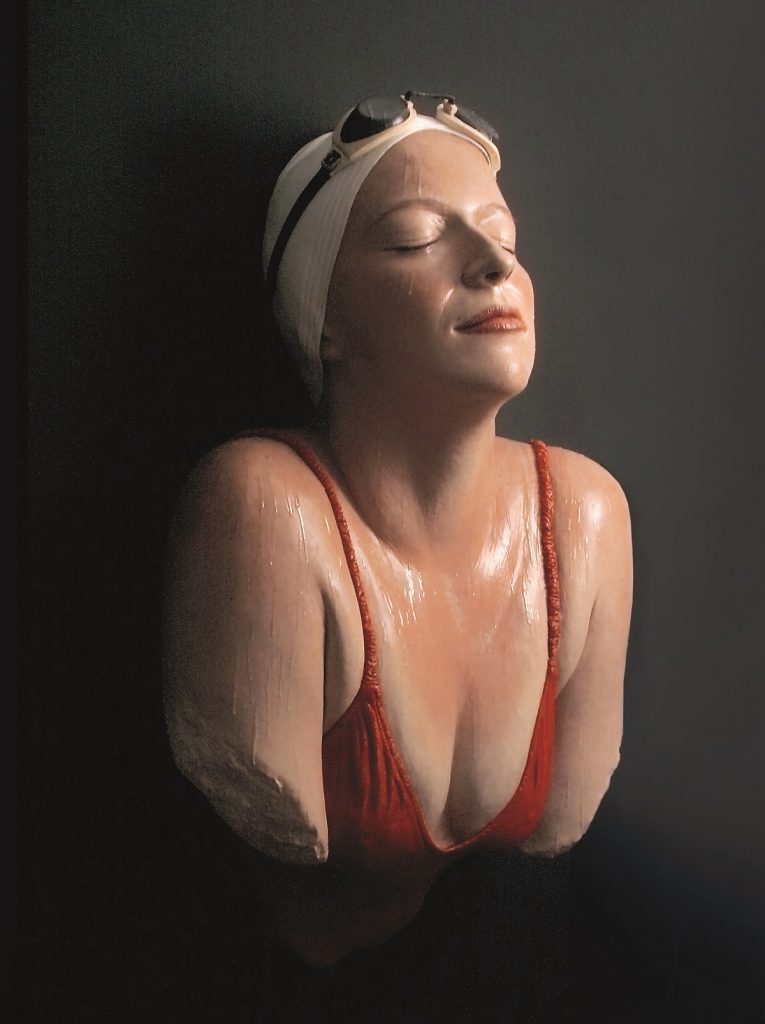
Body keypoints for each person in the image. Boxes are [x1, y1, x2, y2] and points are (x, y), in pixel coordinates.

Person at [162, 93, 633, 965]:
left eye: (504, 234)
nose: (494, 263)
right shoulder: (263, 511)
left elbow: (563, 814)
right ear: (326, 322)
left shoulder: (584, 515)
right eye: (416, 238)